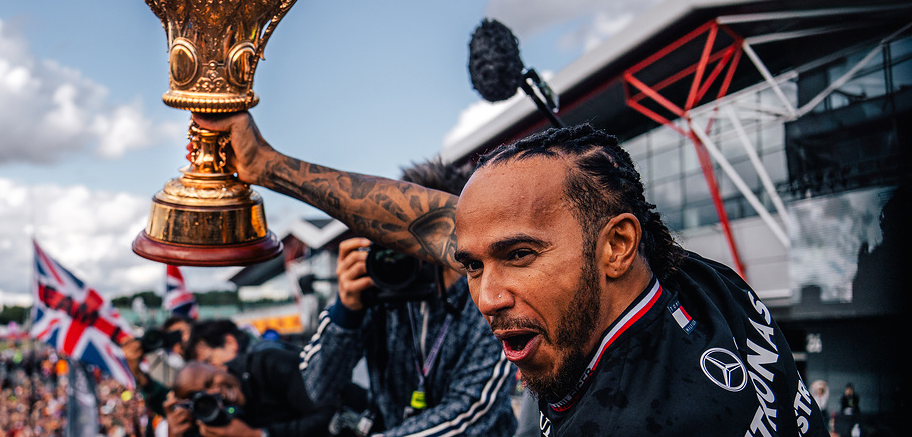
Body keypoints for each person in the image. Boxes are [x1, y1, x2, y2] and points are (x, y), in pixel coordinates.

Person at [193, 112, 825, 436]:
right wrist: (265, 164)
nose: (488, 297)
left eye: (519, 256)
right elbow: (431, 222)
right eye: (470, 265)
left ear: (616, 246)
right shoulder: (691, 280)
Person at [299, 158, 517, 437]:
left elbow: (471, 409)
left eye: (412, 237)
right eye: (391, 236)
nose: (400, 249)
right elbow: (317, 392)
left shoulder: (486, 298)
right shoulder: (378, 291)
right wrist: (346, 313)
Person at [165, 360, 330, 437]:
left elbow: (327, 417)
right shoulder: (209, 428)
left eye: (210, 382)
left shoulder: (267, 366)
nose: (216, 393)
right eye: (204, 400)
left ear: (218, 366)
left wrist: (258, 435)